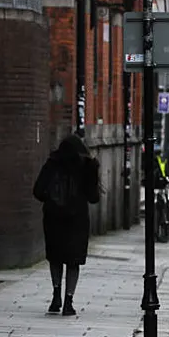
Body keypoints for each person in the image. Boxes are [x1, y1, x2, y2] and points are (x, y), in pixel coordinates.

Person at [32, 133, 101, 316]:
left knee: (55, 258)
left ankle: (56, 296)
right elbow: (94, 198)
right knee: (73, 261)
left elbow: (37, 191)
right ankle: (69, 302)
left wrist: (52, 200)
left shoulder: (51, 164)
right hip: (76, 220)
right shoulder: (85, 167)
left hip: (53, 219)